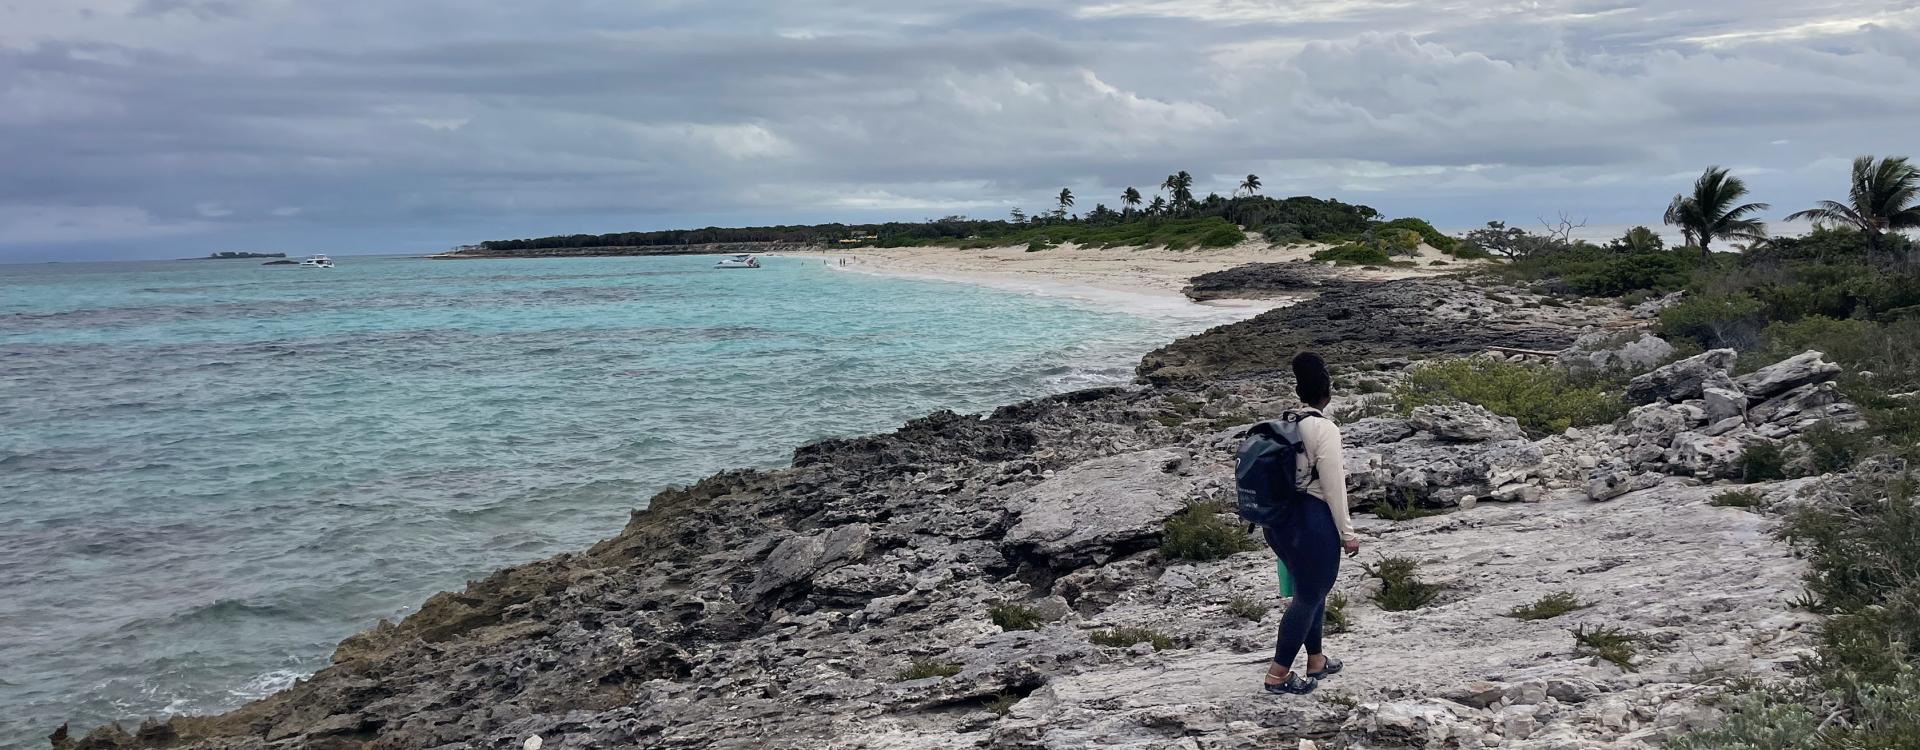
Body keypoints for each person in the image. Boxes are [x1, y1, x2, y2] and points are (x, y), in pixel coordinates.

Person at [1263, 351, 1361, 695]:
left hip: (1278, 522)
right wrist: (1348, 534)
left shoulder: (1286, 423)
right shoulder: (1324, 428)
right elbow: (1334, 487)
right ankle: (1278, 674)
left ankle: (1316, 659)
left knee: (1313, 590)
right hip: (1312, 520)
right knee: (1308, 594)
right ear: (1327, 394)